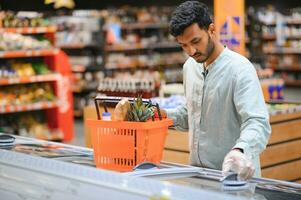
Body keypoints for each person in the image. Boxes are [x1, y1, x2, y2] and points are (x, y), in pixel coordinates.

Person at [159, 1, 271, 180]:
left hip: (235, 178)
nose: (191, 51)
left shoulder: (239, 69)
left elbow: (257, 122)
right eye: (183, 45)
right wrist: (159, 115)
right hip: (199, 177)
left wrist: (240, 150)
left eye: (196, 41)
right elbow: (191, 114)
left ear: (211, 30)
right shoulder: (190, 67)